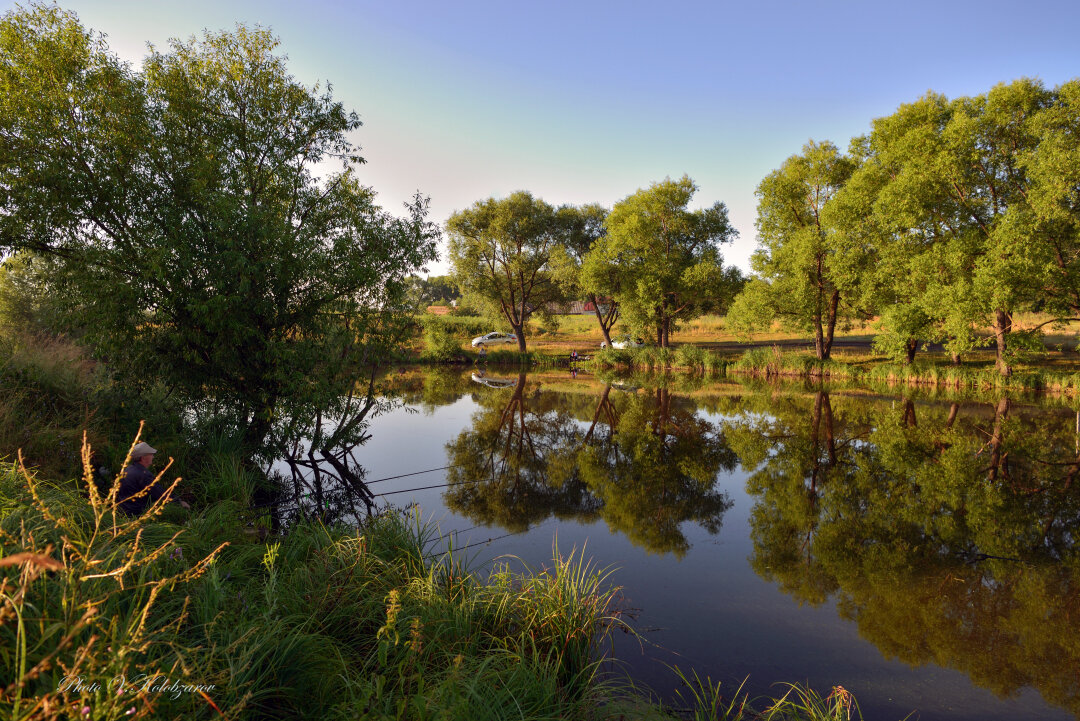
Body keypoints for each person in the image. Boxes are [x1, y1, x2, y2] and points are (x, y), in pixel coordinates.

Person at [118, 441, 189, 514]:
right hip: (137, 514)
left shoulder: (126, 470)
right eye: (151, 454)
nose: (153, 456)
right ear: (143, 458)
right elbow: (160, 494)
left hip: (123, 513)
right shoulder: (143, 474)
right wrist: (180, 502)